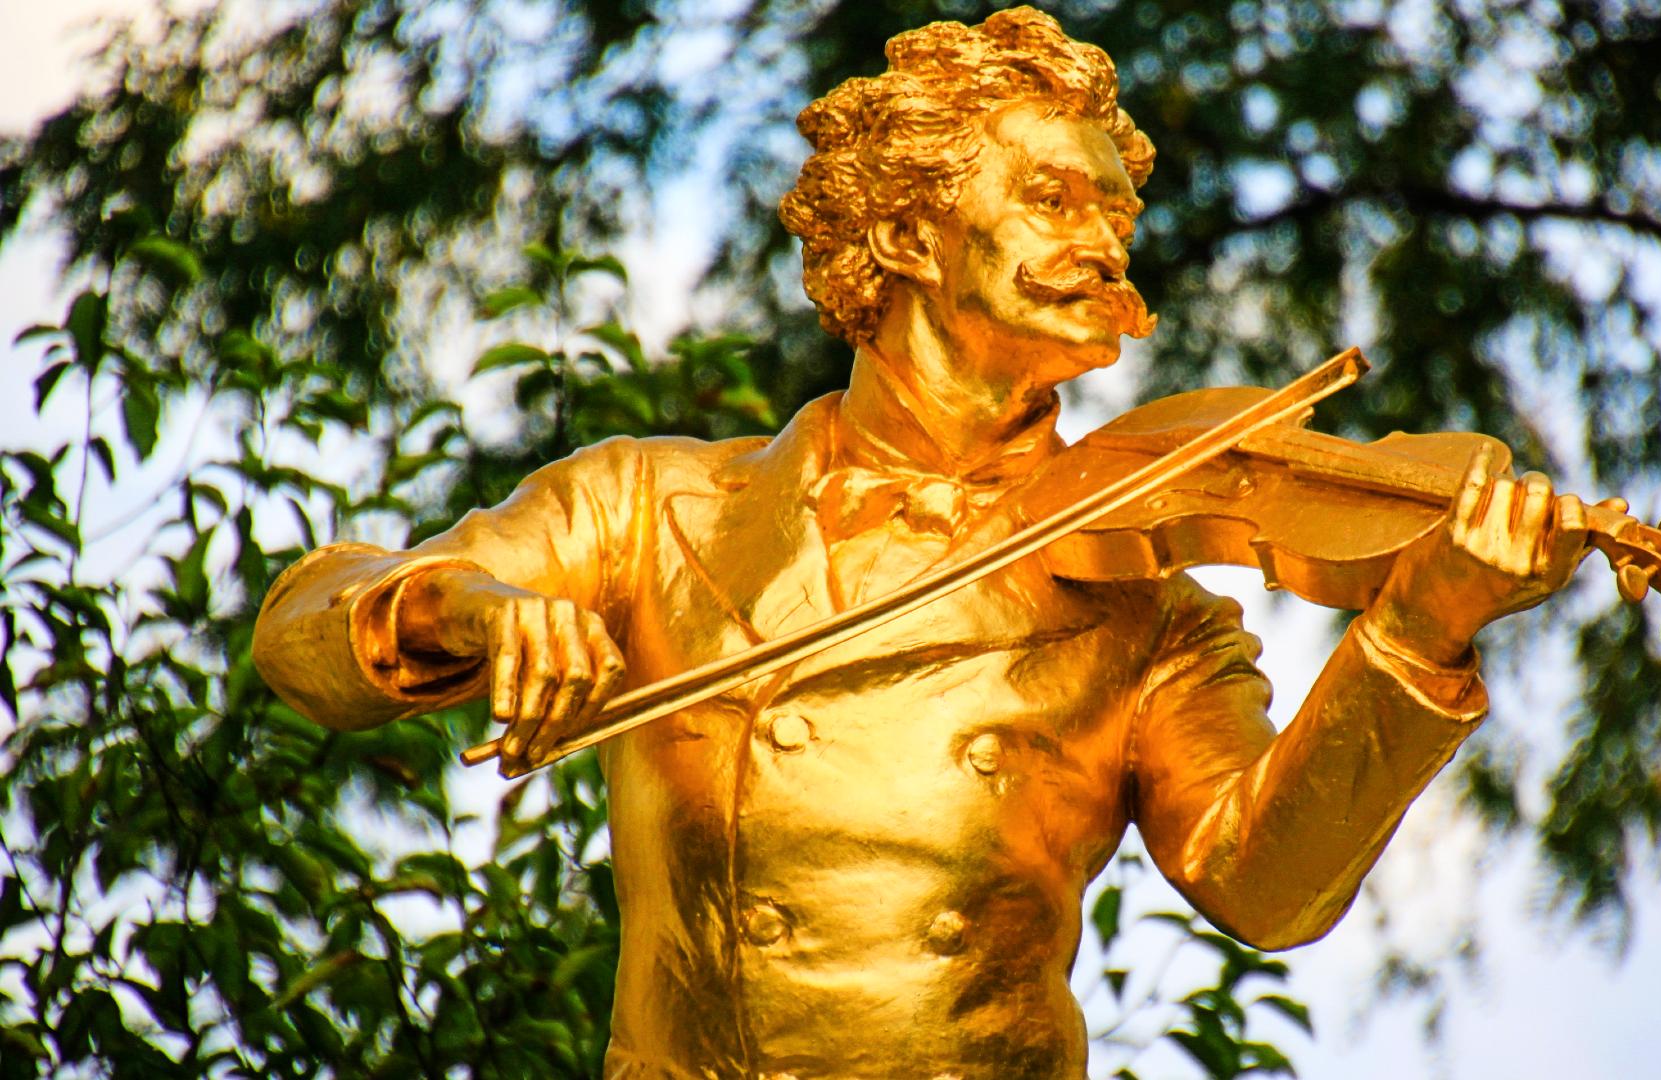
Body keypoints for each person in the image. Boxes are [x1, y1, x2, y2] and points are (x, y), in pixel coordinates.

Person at [253, 9, 1587, 1078]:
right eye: (1055, 201)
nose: (1107, 247)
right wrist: (462, 610)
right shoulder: (653, 510)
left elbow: (1268, 887)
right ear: (904, 228)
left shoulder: (1145, 610)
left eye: (1117, 214)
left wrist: (1418, 629)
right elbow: (302, 635)